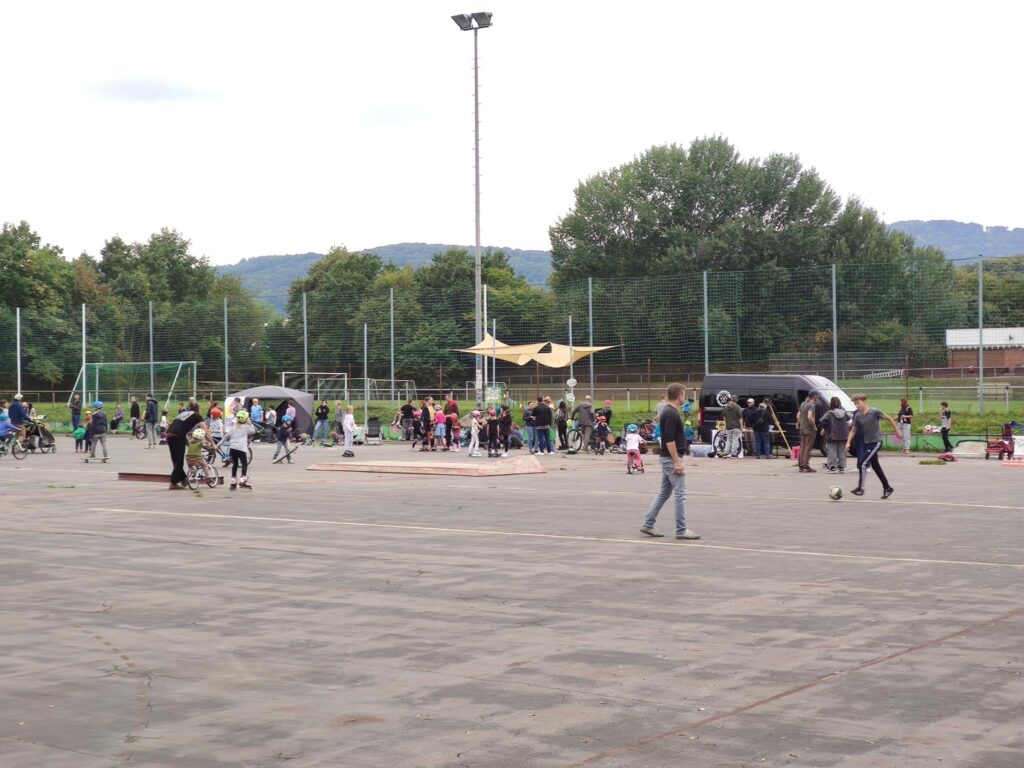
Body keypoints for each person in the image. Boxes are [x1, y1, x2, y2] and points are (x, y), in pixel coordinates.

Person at [641, 383, 700, 540]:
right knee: (680, 494)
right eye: (684, 394)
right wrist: (677, 462)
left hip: (668, 458)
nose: (684, 397)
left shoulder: (668, 411)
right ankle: (681, 530)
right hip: (671, 458)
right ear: (680, 396)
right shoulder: (671, 413)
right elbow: (669, 439)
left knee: (664, 493)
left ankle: (648, 523)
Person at [846, 393, 898, 499]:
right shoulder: (858, 416)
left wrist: (897, 431)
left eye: (858, 403)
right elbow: (853, 430)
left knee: (862, 463)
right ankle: (887, 487)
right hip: (867, 443)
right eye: (855, 404)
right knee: (876, 466)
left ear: (864, 401)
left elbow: (889, 418)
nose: (857, 405)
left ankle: (860, 488)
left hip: (876, 442)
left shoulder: (874, 412)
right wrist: (848, 442)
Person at [164, 403, 204, 489]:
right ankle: (173, 482)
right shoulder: (196, 415)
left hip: (169, 435)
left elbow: (181, 429)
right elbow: (205, 430)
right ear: (198, 409)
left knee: (176, 460)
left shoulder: (183, 413)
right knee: (179, 461)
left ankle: (183, 479)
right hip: (177, 436)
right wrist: (212, 444)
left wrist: (189, 444)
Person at [223, 410, 255, 490]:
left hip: (233, 448)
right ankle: (243, 481)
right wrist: (250, 423)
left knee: (235, 464)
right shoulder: (247, 427)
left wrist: (217, 445)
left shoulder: (233, 427)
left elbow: (225, 437)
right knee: (244, 463)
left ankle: (233, 483)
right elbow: (253, 431)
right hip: (241, 448)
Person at [819, 396, 850, 473]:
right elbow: (848, 418)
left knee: (832, 451)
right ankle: (841, 467)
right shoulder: (844, 413)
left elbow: (822, 420)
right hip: (843, 434)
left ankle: (832, 467)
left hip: (832, 434)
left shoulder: (830, 413)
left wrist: (824, 428)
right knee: (842, 451)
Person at [797, 390, 819, 472]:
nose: (818, 397)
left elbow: (798, 416)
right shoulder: (811, 405)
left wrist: (801, 424)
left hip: (802, 428)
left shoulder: (803, 404)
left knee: (802, 446)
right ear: (814, 396)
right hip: (809, 429)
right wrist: (814, 426)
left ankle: (801, 465)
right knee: (808, 447)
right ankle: (805, 465)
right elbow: (809, 417)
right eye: (817, 395)